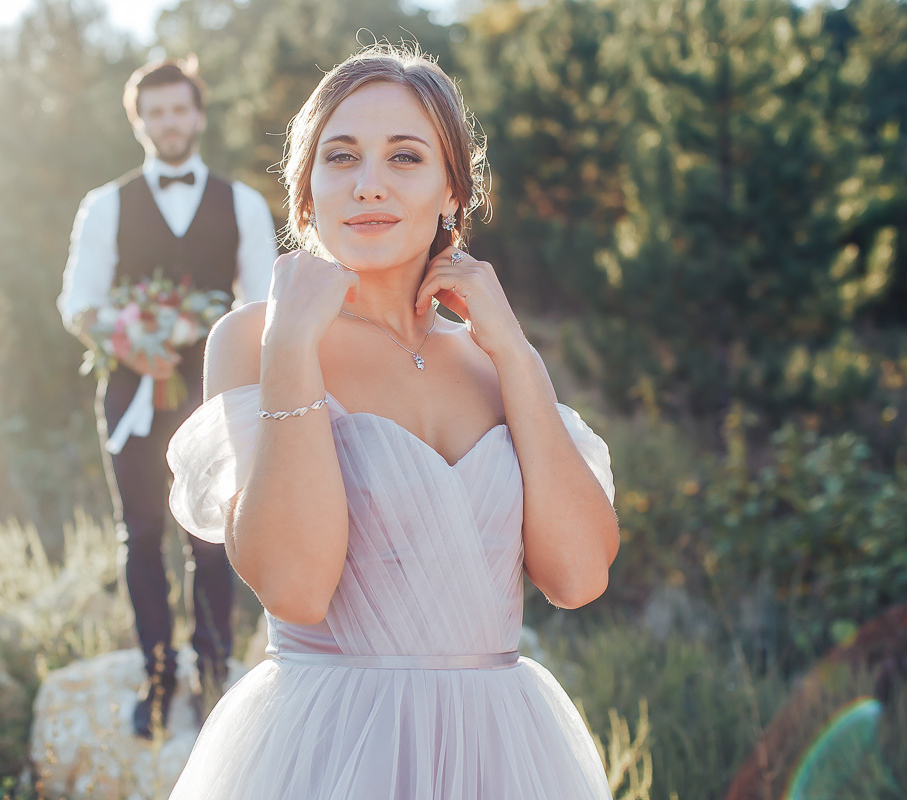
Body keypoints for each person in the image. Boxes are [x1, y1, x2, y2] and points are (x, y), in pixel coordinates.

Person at [165, 45, 619, 798]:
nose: (368, 184)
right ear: (306, 193)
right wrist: (292, 348)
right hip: (329, 752)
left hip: (502, 756)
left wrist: (515, 352)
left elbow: (577, 576)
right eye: (340, 157)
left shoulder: (493, 359)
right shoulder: (256, 340)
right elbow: (295, 586)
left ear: (452, 191)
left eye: (405, 157)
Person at [57, 58, 277, 740]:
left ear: (198, 115)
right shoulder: (105, 204)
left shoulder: (241, 203)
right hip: (131, 390)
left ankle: (213, 675)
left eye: (179, 109)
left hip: (214, 392)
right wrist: (133, 341)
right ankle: (156, 677)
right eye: (155, 112)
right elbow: (78, 303)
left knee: (211, 536)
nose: (169, 122)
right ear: (138, 123)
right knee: (142, 533)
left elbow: (264, 306)